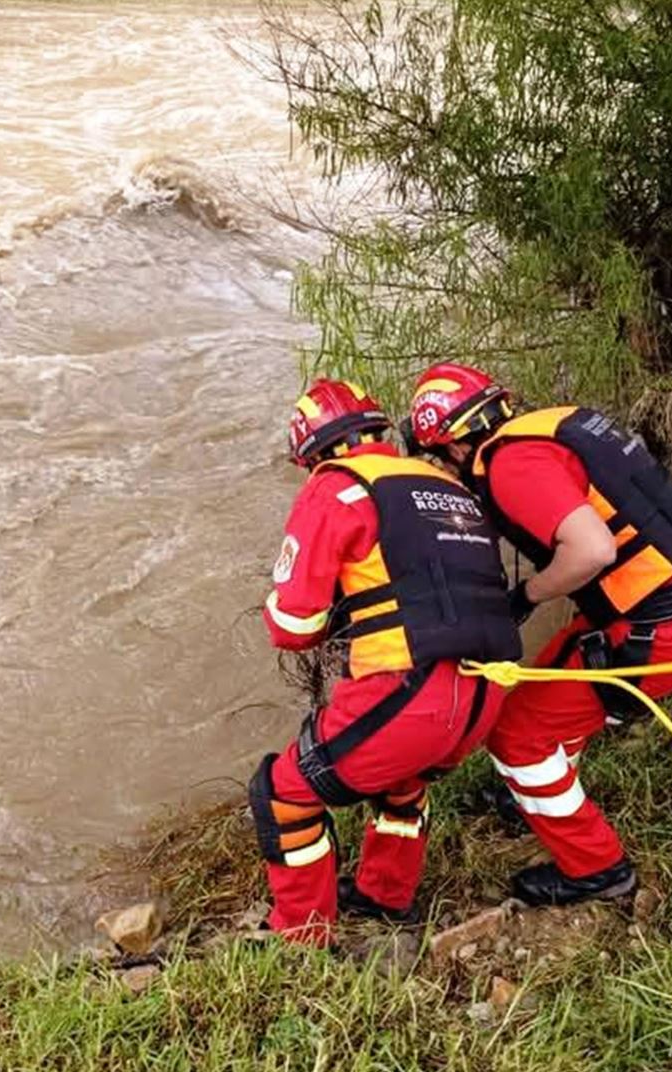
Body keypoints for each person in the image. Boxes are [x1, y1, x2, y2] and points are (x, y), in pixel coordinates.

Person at [405, 363, 672, 907]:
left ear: (456, 448)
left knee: (515, 734)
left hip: (660, 628)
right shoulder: (553, 425)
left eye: (439, 459)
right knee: (539, 689)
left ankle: (598, 870)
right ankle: (536, 788)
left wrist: (528, 596)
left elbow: (593, 551)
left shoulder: (509, 467)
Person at [253, 378, 525, 942]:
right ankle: (384, 897)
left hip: (410, 695)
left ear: (317, 453)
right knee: (402, 785)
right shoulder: (443, 483)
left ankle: (301, 937)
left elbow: (292, 627)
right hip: (485, 695)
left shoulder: (335, 488)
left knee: (283, 795)